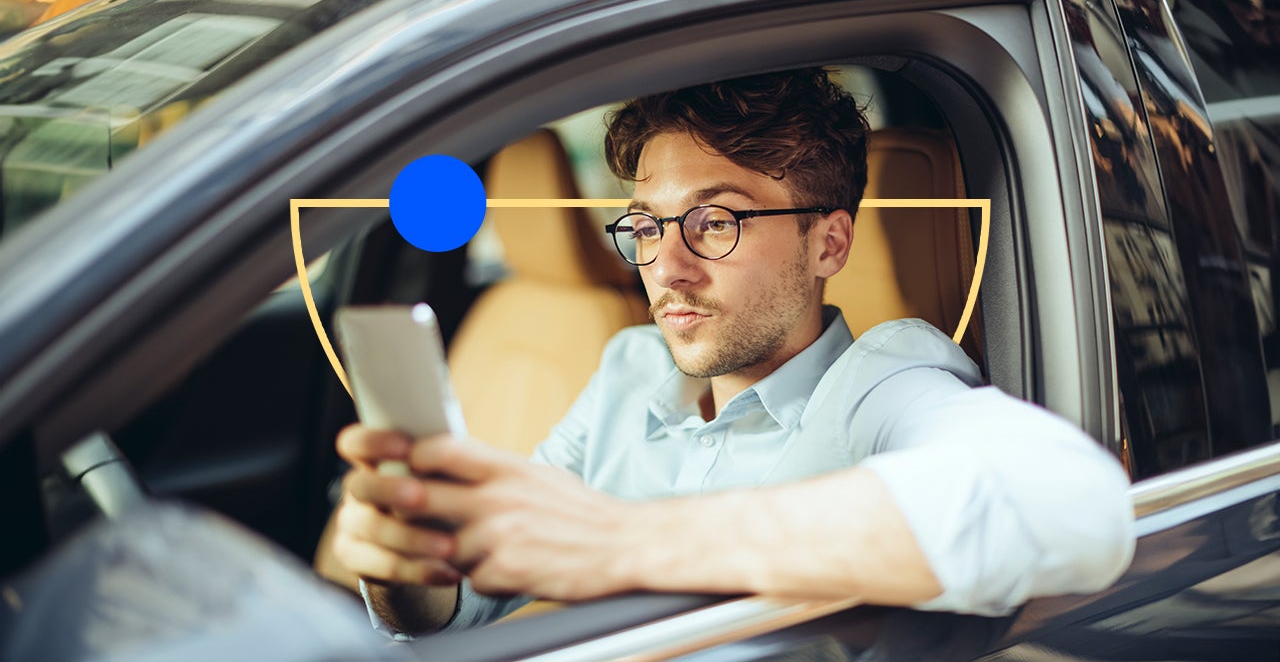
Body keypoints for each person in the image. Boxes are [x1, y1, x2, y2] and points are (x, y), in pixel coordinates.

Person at [323, 68, 1135, 636]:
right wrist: (406, 564)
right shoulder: (626, 371)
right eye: (646, 226)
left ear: (829, 242)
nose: (665, 267)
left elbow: (1074, 504)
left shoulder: (882, 382)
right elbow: (463, 603)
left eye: (716, 222)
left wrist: (619, 542)